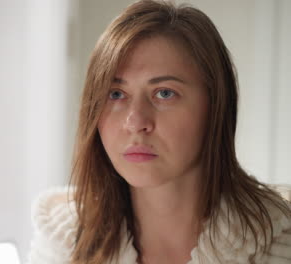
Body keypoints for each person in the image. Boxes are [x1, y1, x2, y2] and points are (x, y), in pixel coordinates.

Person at [26, 0, 291, 263]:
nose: (136, 121)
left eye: (164, 93)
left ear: (216, 106)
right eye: (116, 94)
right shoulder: (63, 240)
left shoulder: (281, 243)